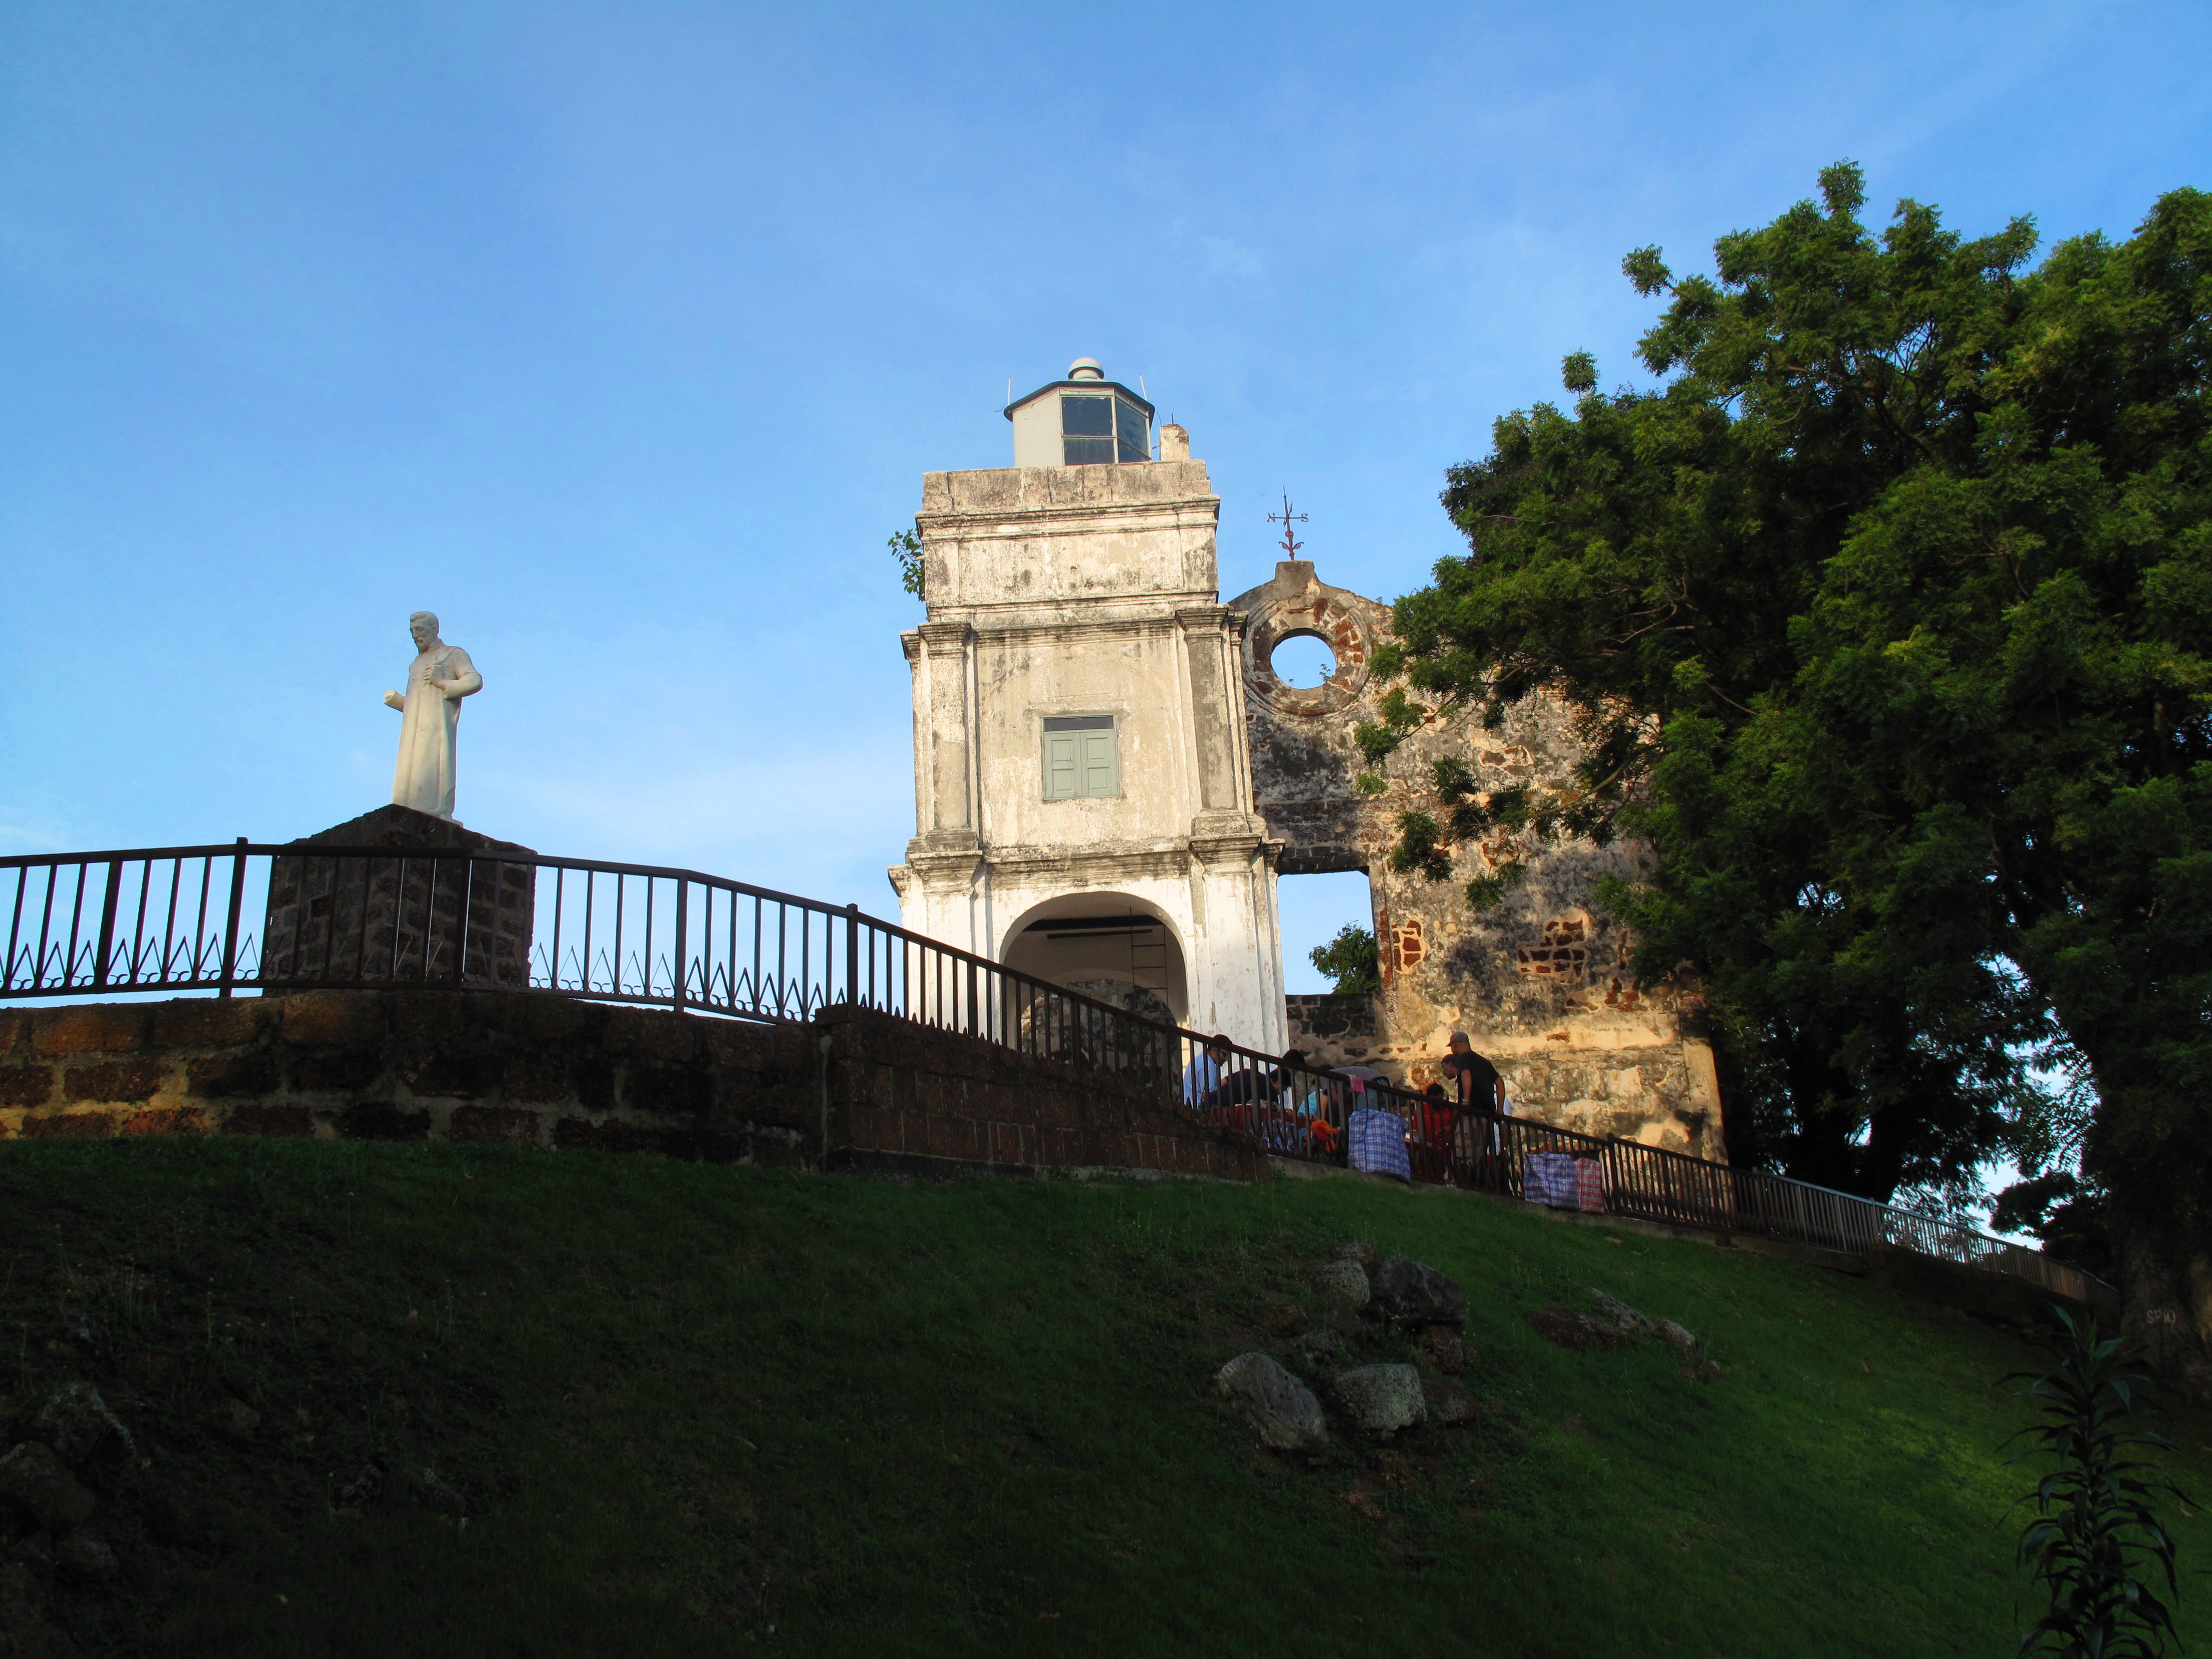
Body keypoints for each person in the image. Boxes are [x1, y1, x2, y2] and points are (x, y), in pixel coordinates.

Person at [383, 611, 482, 820]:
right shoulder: (416, 664)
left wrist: (442, 682)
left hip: (436, 727)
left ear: (435, 630)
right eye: (412, 631)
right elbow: (418, 704)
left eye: (420, 630)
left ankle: (433, 811)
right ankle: (405, 809)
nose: (415, 635)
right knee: (409, 769)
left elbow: (474, 681)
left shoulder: (452, 653)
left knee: (432, 763)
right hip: (412, 730)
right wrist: (398, 701)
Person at [1182, 1033, 1234, 1110]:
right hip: (1198, 1110)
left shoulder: (1199, 1060)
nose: (1227, 1059)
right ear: (1214, 1050)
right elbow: (1210, 1096)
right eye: (1225, 1054)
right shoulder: (1209, 1066)